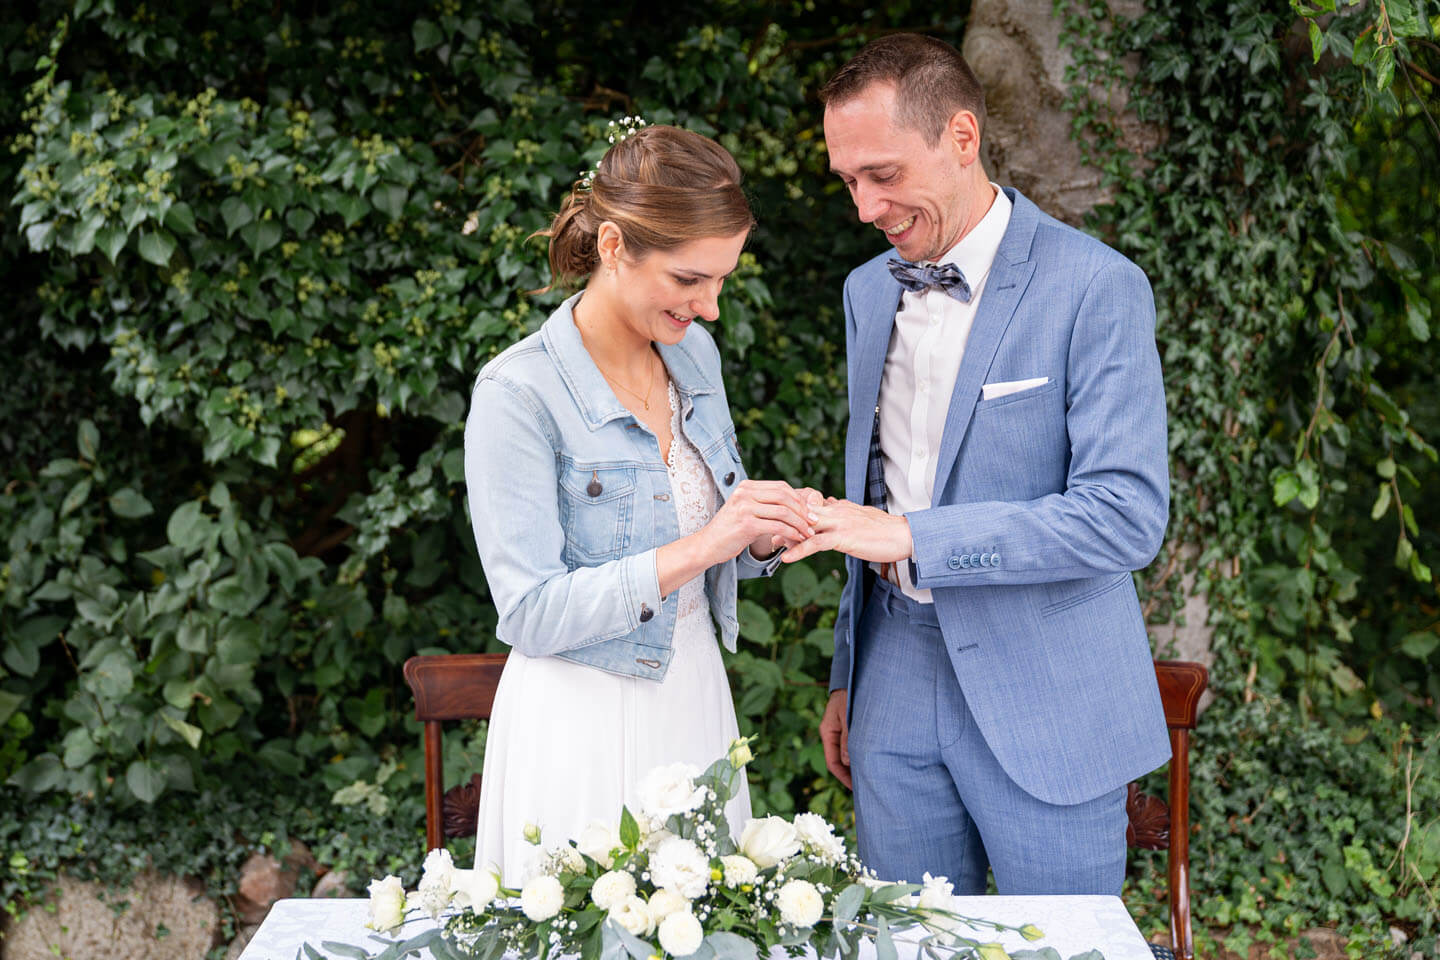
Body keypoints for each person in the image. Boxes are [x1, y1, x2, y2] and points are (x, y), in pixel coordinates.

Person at [781, 34, 1172, 895]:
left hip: (1050, 691)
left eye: (882, 174)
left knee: (1065, 954)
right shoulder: (866, 290)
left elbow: (1124, 515)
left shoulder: (1097, 287)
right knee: (905, 948)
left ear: (962, 137)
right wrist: (852, 676)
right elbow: (873, 485)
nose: (863, 206)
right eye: (848, 180)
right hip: (892, 681)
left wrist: (910, 534)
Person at [463, 123, 815, 885]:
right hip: (576, 715)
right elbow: (529, 611)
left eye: (721, 280)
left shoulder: (695, 356)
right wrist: (705, 545)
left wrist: (759, 537)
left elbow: (715, 543)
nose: (712, 307)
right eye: (691, 280)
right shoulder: (517, 394)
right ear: (616, 245)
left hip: (693, 694)